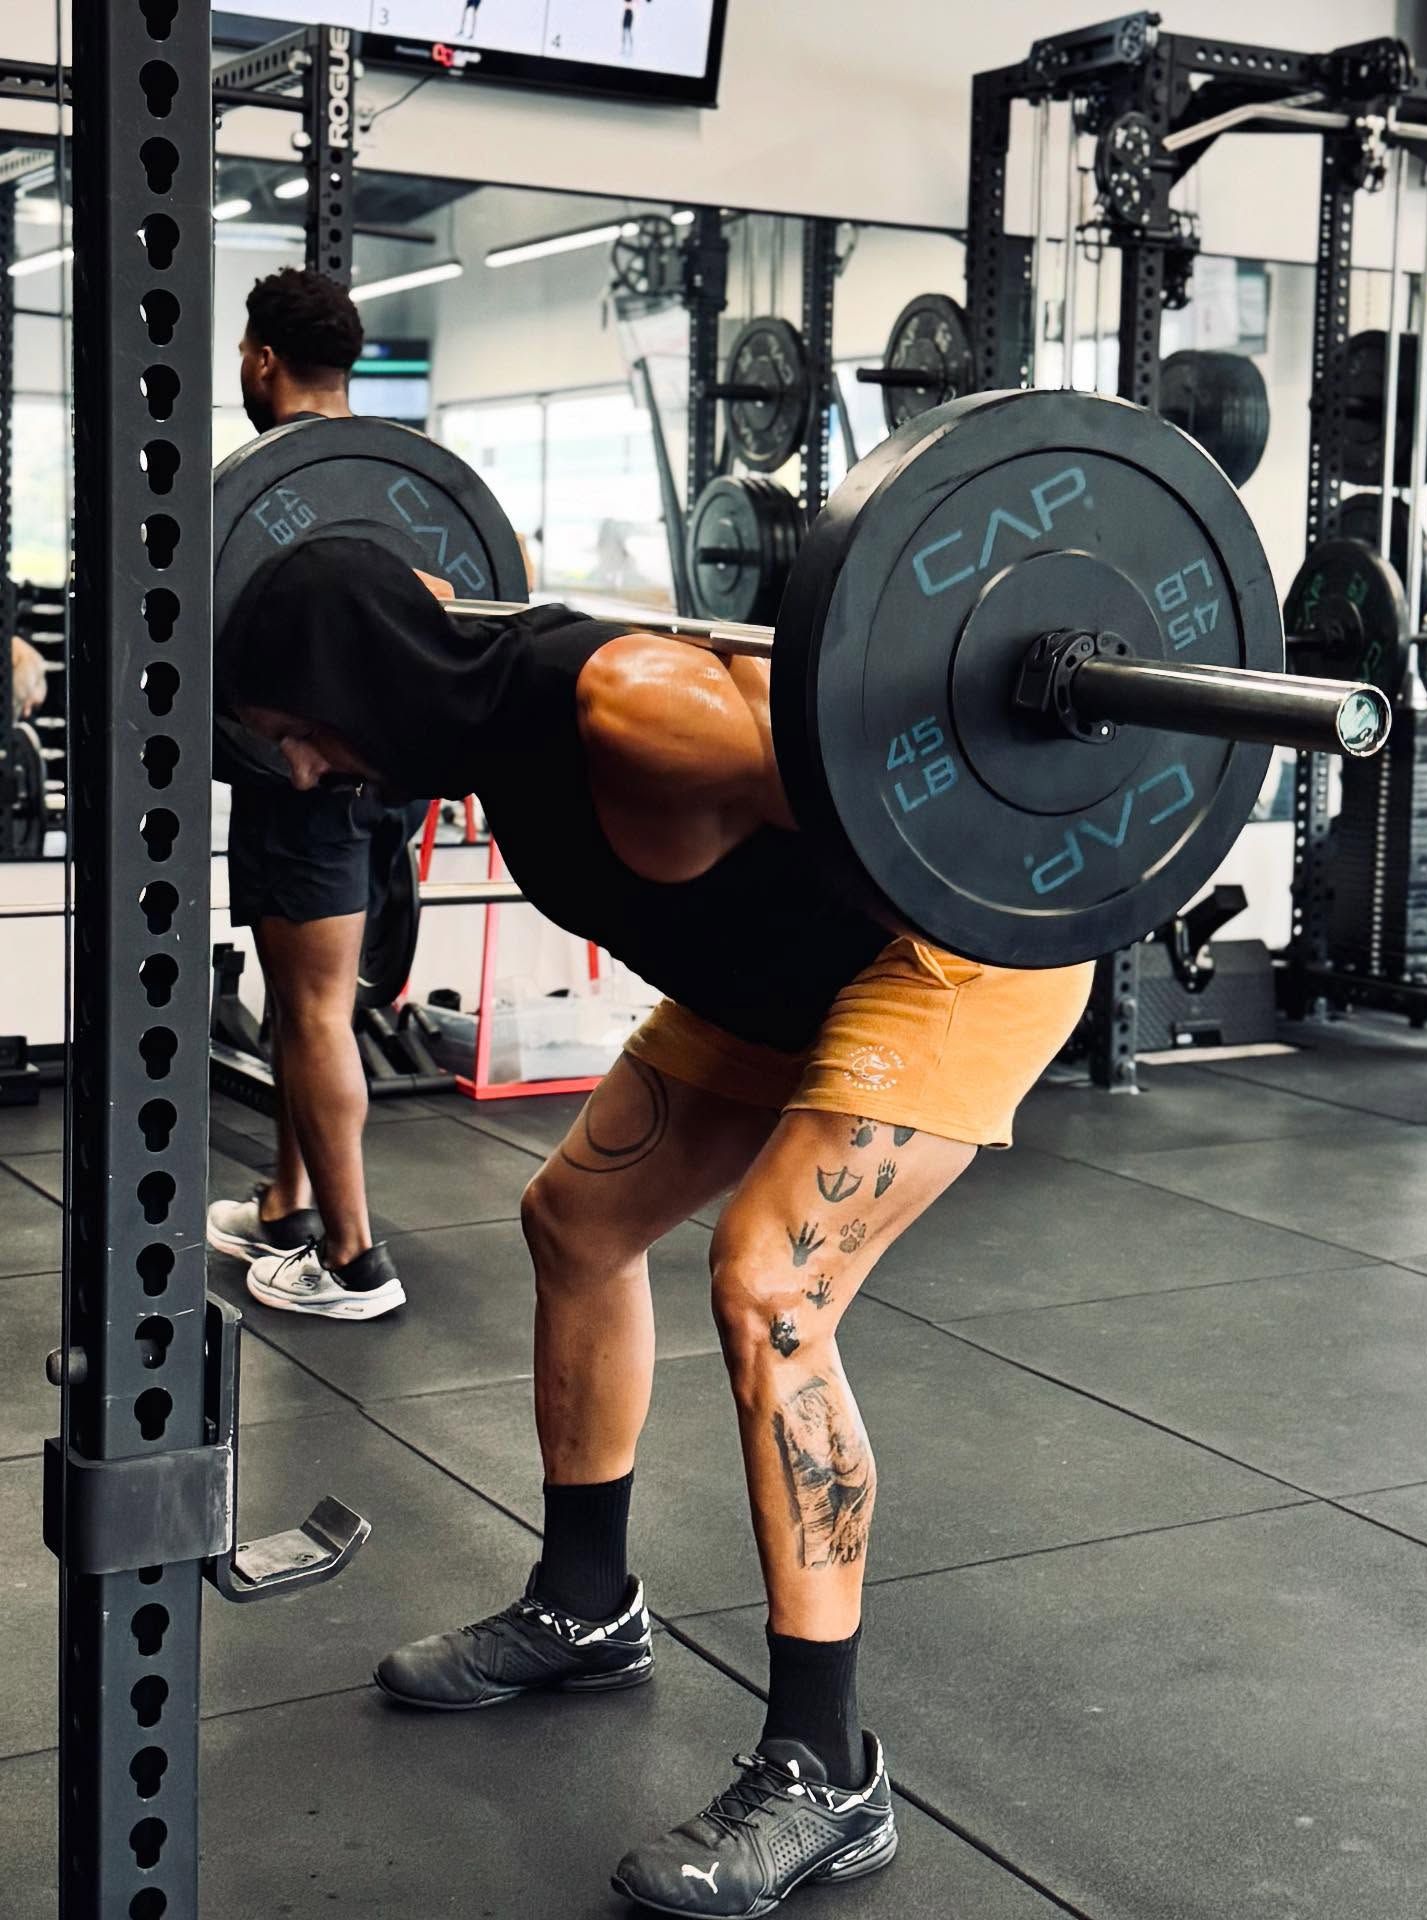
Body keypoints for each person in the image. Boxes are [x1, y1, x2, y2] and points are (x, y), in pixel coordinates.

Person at [214, 541, 1092, 1917]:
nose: (309, 774)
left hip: (948, 957)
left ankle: (827, 1767)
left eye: (300, 737)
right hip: (772, 976)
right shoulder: (493, 718)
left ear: (361, 687)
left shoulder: (636, 707)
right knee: (575, 1219)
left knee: (767, 1283)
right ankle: (583, 1603)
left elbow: (915, 779)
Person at [205, 268, 415, 1324]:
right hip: (371, 783)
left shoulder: (263, 478)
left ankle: (351, 1259)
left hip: (304, 786)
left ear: (262, 359)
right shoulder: (385, 481)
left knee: (318, 1012)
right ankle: (288, 1205)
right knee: (297, 1007)